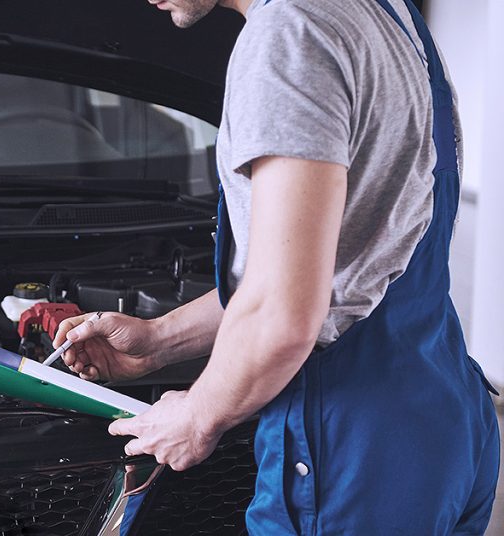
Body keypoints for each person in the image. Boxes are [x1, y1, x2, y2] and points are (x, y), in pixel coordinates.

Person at [53, 0, 500, 533]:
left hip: (346, 445)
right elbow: (335, 268)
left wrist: (197, 416)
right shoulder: (382, 13)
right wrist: (157, 339)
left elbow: (284, 316)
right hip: (442, 416)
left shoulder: (290, 35)